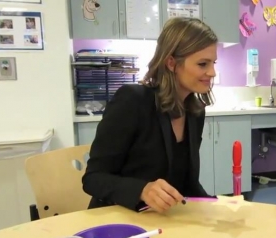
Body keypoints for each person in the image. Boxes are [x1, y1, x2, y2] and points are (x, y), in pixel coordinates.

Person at [82, 17, 218, 214]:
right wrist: (142, 190)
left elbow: (188, 183)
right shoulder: (132, 101)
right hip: (119, 222)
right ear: (171, 63)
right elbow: (93, 179)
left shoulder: (195, 111)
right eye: (203, 64)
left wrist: (217, 208)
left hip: (161, 220)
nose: (212, 72)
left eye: (213, 63)